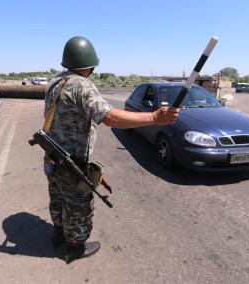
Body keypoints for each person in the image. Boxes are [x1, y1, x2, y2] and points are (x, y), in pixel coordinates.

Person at [44, 36, 179, 264]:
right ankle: (75, 247)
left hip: (52, 156)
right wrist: (155, 117)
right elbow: (110, 117)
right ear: (90, 64)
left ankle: (58, 234)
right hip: (72, 162)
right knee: (78, 206)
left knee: (57, 197)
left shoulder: (55, 82)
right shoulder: (81, 85)